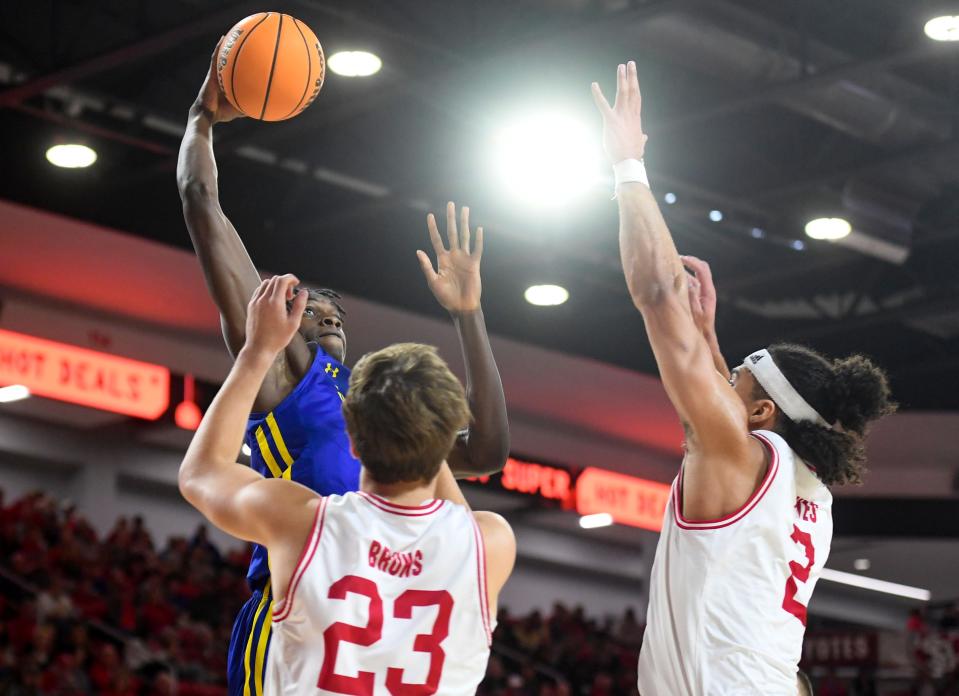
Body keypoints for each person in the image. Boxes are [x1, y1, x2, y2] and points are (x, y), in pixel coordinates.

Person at [176, 46, 510, 695]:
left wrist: (470, 315)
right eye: (309, 305)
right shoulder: (287, 372)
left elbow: (489, 449)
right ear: (279, 319)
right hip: (301, 600)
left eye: (335, 308)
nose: (325, 312)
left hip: (377, 592)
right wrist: (200, 121)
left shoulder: (379, 405)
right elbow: (200, 202)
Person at [591, 61, 896, 694]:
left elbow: (654, 292)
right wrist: (707, 339)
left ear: (760, 416)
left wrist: (626, 167)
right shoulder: (813, 492)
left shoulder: (740, 451)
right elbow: (734, 417)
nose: (717, 384)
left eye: (734, 380)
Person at [178, 273, 515, 694]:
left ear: (352, 441)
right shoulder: (489, 543)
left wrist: (256, 351)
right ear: (444, 440)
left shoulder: (304, 524)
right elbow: (468, 472)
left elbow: (201, 472)